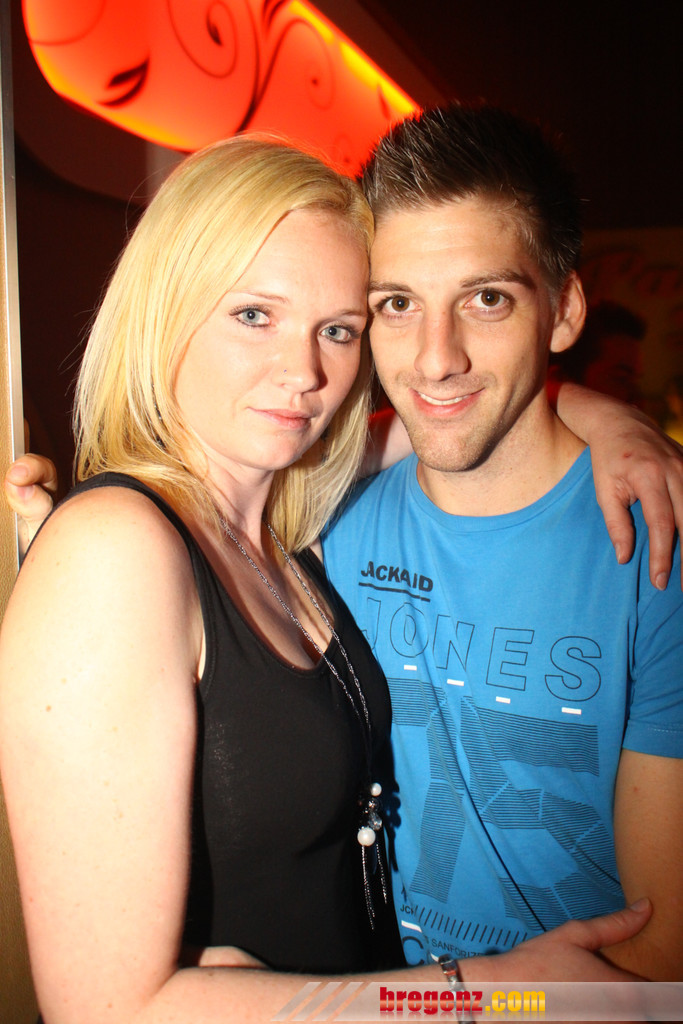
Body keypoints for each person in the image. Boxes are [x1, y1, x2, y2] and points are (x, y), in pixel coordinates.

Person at [1, 133, 662, 1024]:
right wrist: (496, 995)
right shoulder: (116, 548)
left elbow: (466, 415)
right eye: (253, 314)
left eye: (339, 329)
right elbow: (101, 1010)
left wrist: (613, 420)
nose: (304, 371)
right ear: (164, 311)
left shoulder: (292, 525)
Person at [321, 104, 683, 983]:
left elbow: (663, 951)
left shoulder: (658, 550)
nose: (434, 358)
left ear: (563, 312)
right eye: (397, 304)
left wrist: (458, 1003)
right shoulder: (323, 516)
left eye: (486, 299)